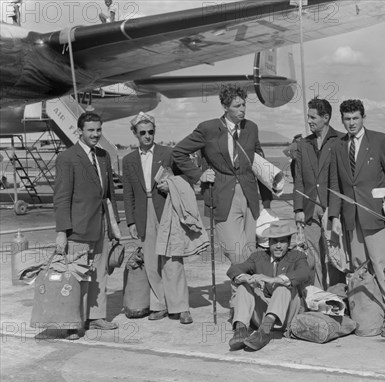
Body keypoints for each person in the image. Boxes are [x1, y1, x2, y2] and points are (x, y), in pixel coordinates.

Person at [328, 99, 385, 337]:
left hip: (377, 218)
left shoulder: (380, 141)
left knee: (382, 267)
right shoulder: (338, 146)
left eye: (355, 118)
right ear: (342, 120)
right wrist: (334, 216)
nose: (351, 123)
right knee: (359, 269)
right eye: (347, 119)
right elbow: (336, 184)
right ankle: (366, 314)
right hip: (351, 219)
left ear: (363, 118)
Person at [172, 86, 274, 265]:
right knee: (236, 252)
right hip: (222, 197)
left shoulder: (251, 128)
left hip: (250, 197)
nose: (242, 109)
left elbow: (261, 165)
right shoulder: (208, 128)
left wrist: (267, 203)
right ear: (225, 107)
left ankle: (243, 293)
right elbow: (178, 152)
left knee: (251, 250)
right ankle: (247, 289)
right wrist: (199, 175)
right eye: (236, 106)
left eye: (243, 105)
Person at [121, 112, 193, 325]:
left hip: (166, 208)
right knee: (151, 262)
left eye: (150, 132)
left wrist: (172, 182)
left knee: (173, 259)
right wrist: (131, 221)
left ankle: (181, 307)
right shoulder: (128, 161)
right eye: (142, 133)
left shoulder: (168, 153)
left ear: (155, 132)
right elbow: (127, 193)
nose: (147, 136)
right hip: (144, 212)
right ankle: (159, 304)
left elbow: (186, 177)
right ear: (135, 134)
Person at [54, 112, 120, 340]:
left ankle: (96, 316)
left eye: (98, 130)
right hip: (78, 227)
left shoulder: (103, 155)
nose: (95, 134)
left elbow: (109, 193)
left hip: (101, 223)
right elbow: (61, 197)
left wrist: (114, 225)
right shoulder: (67, 158)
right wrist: (62, 231)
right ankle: (73, 322)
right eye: (90, 130)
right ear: (80, 131)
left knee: (100, 273)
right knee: (76, 276)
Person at [226, 220, 312, 351]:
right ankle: (241, 330)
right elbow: (234, 269)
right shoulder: (258, 256)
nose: (278, 246)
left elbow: (304, 273)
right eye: (274, 241)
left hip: (287, 314)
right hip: (263, 311)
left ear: (289, 243)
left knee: (283, 287)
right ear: (269, 243)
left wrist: (274, 280)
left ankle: (264, 332)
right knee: (244, 286)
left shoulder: (297, 256)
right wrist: (246, 278)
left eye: (282, 241)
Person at [294, 98, 345, 290]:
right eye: (308, 117)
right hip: (308, 209)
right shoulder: (303, 144)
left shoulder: (340, 141)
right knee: (313, 257)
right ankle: (317, 297)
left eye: (313, 117)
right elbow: (298, 178)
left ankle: (338, 297)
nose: (309, 121)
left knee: (334, 256)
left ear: (326, 117)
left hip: (332, 208)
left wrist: (337, 210)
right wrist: (298, 208)